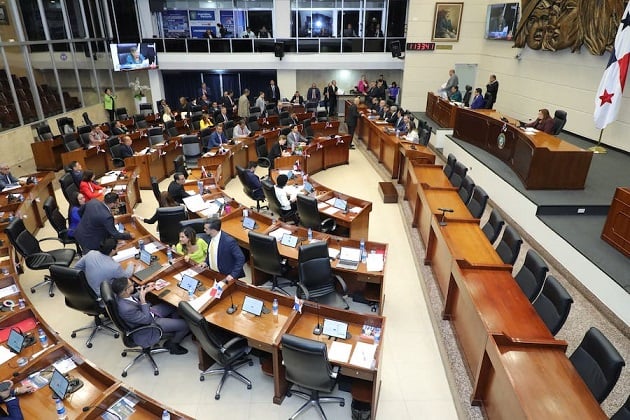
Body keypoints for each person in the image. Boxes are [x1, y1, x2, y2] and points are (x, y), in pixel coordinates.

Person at [111, 277, 189, 355]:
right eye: (131, 285)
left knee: (173, 305)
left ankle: (175, 329)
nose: (133, 285)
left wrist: (145, 289)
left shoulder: (120, 296)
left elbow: (132, 298)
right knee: (186, 325)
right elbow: (147, 319)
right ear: (126, 290)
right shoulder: (126, 309)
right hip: (149, 324)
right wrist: (143, 300)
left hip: (147, 313)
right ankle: (173, 344)